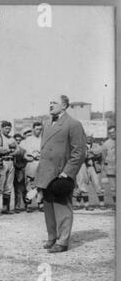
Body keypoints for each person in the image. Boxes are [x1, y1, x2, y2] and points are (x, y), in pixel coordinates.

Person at [35, 95, 87, 253]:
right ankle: (52, 236)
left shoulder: (73, 124)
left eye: (54, 103)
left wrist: (67, 172)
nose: (50, 105)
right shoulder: (46, 122)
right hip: (46, 172)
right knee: (48, 206)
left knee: (62, 206)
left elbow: (79, 152)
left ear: (64, 106)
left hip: (61, 173)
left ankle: (63, 241)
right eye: (49, 102)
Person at [0, 121, 21, 214]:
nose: (8, 130)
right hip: (2, 161)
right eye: (6, 128)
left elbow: (18, 150)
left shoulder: (11, 138)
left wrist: (12, 152)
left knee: (8, 186)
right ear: (1, 128)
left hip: (11, 161)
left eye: (9, 128)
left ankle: (5, 208)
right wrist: (9, 149)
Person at [20, 122, 43, 212]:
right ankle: (28, 204)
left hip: (41, 163)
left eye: (40, 129)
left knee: (41, 184)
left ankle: (40, 204)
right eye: (37, 129)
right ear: (33, 129)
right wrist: (27, 157)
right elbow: (22, 153)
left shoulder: (43, 139)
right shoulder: (27, 140)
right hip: (31, 163)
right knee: (30, 183)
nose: (39, 131)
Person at [85, 135, 105, 209]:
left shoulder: (96, 145)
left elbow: (100, 152)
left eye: (90, 137)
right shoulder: (82, 145)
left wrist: (91, 152)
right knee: (84, 185)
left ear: (92, 138)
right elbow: (83, 155)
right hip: (85, 167)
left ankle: (102, 204)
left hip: (94, 167)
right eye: (87, 137)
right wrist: (92, 154)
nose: (89, 139)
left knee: (97, 185)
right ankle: (86, 205)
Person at [102, 125, 116, 207]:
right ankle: (116, 204)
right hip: (111, 169)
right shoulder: (106, 144)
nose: (113, 134)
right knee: (113, 188)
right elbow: (104, 157)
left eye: (114, 132)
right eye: (111, 133)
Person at [13, 133, 27, 213]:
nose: (18, 142)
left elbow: (25, 161)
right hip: (13, 170)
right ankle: (17, 205)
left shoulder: (23, 150)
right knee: (16, 189)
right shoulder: (11, 149)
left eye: (19, 140)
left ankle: (26, 204)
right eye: (16, 140)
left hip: (20, 170)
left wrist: (19, 166)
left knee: (22, 188)